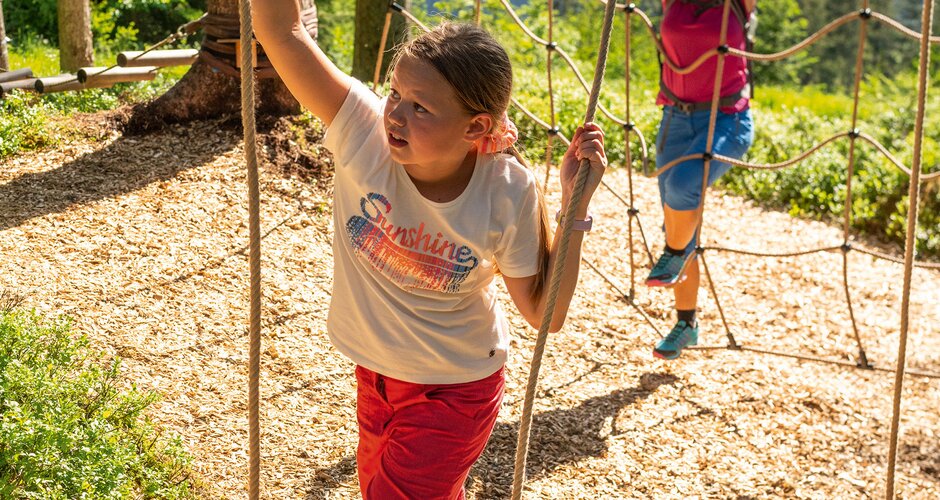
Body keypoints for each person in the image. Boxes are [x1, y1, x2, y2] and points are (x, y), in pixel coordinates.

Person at [252, 2, 608, 498]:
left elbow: (543, 314)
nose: (395, 113)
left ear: (475, 128)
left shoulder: (506, 189)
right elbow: (283, 33)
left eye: (420, 107)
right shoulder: (362, 129)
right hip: (376, 376)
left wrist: (574, 207)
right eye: (395, 93)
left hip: (456, 388)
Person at [646, 0, 756, 360]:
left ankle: (674, 255)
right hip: (674, 119)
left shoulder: (737, 4)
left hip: (727, 119)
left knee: (681, 189)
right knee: (679, 225)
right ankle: (686, 324)